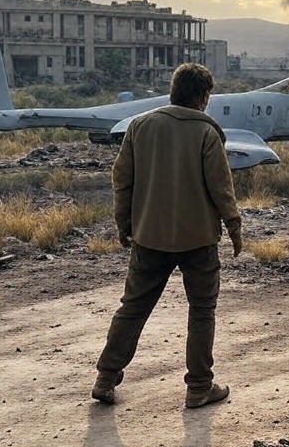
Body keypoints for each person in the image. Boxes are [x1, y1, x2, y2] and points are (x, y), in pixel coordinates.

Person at [91, 63, 242, 408]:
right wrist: (234, 226)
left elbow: (122, 180)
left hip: (149, 237)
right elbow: (221, 188)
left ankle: (106, 377)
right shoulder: (207, 133)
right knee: (202, 311)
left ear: (173, 90)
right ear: (204, 97)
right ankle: (199, 386)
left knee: (132, 309)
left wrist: (123, 223)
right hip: (199, 240)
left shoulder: (140, 126)